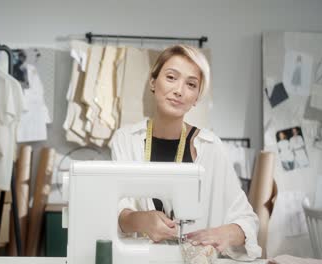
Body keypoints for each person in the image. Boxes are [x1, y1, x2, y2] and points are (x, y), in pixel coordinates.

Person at [110, 45, 261, 261]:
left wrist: (226, 233)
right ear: (153, 82)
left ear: (197, 97)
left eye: (191, 84)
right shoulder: (125, 140)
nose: (179, 90)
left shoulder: (210, 148)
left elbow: (247, 220)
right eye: (171, 77)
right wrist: (141, 220)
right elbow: (115, 210)